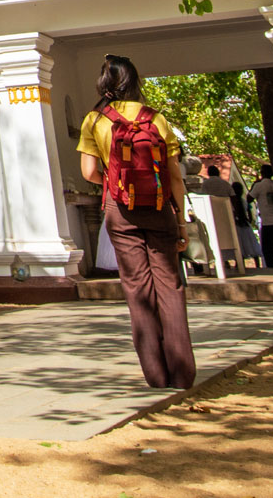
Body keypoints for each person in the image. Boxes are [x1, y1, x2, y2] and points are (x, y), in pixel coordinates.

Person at [78, 54, 195, 390]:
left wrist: (115, 185)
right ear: (134, 81)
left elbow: (88, 173)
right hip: (159, 208)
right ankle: (183, 374)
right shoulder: (156, 119)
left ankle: (156, 377)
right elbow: (174, 175)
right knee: (170, 286)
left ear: (105, 82)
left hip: (121, 209)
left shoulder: (95, 120)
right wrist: (182, 223)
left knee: (137, 289)